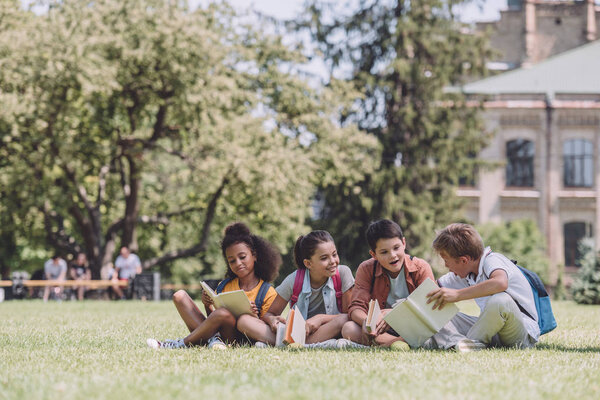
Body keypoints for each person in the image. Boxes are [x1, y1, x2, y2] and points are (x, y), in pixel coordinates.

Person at [147, 222, 281, 349]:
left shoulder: (268, 292)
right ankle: (212, 341)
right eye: (232, 260)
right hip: (220, 335)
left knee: (223, 313)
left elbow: (267, 330)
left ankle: (182, 343)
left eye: (242, 257)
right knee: (179, 296)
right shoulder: (224, 286)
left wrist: (253, 316)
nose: (238, 263)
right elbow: (213, 320)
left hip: (243, 340)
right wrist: (207, 304)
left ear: (254, 256)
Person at [424, 223, 539, 351]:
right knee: (436, 313)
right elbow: (432, 289)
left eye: (446, 260)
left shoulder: (492, 260)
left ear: (464, 260)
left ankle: (467, 344)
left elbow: (500, 283)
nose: (446, 266)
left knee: (501, 300)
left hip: (520, 333)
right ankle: (458, 343)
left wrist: (457, 295)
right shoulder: (464, 273)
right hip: (492, 331)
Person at [237, 230, 355, 348]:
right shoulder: (294, 280)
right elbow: (269, 314)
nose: (333, 261)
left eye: (334, 254)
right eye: (324, 258)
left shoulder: (343, 273)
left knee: (344, 320)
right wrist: (272, 320)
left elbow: (348, 315)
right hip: (295, 333)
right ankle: (309, 344)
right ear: (308, 264)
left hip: (329, 330)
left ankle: (286, 344)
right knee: (244, 321)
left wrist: (320, 319)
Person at [341, 219, 435, 347]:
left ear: (404, 243)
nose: (393, 255)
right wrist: (366, 322)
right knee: (349, 328)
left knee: (433, 331)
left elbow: (430, 308)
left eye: (396, 248)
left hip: (412, 326)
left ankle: (393, 343)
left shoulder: (421, 267)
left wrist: (395, 314)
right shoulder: (367, 269)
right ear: (374, 254)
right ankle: (401, 344)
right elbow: (356, 307)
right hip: (381, 329)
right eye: (384, 252)